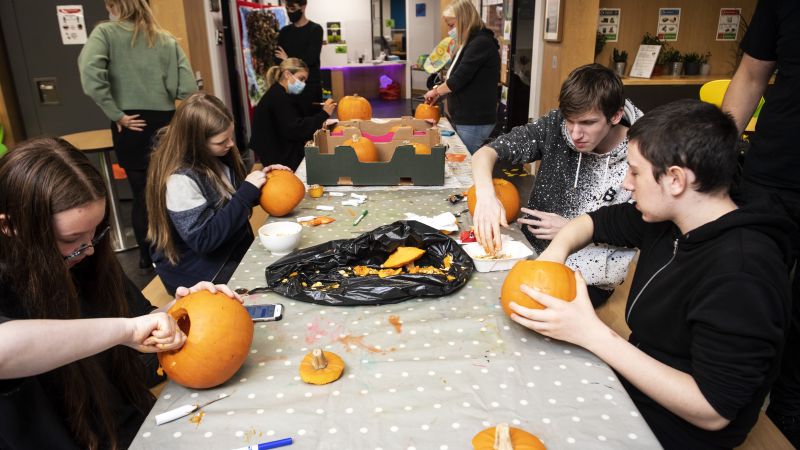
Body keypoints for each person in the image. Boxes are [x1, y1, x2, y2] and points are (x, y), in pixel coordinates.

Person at [510, 99, 792, 449]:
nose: (627, 184)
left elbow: (713, 410)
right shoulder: (670, 217)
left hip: (678, 429)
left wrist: (593, 334)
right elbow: (595, 221)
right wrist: (553, 257)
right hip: (636, 381)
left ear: (674, 179)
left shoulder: (742, 274)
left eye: (635, 171)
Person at [0, 137, 241, 449]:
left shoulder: (86, 256)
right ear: (10, 226)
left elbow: (138, 321)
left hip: (124, 427)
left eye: (96, 232)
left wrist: (183, 314)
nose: (88, 249)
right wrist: (124, 329)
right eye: (71, 239)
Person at [472, 64, 642, 307]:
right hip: (530, 253)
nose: (575, 133)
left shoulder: (642, 155)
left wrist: (573, 229)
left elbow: (640, 231)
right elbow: (486, 153)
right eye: (570, 121)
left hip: (586, 280)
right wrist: (486, 196)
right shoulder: (555, 127)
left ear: (615, 116)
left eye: (588, 123)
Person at [721, 1, 800, 445]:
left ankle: (789, 412)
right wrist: (716, 155)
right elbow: (751, 75)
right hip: (775, 174)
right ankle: (738, 399)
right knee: (750, 293)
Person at [78, 0, 198, 270]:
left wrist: (115, 113)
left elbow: (90, 75)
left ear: (112, 4)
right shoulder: (166, 39)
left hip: (130, 122)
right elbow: (187, 88)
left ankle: (146, 257)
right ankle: (173, 251)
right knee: (169, 189)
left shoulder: (105, 34)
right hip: (165, 121)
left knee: (141, 194)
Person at [147, 92, 291, 295]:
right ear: (195, 141)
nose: (231, 144)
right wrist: (245, 194)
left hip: (230, 249)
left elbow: (230, 199)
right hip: (198, 272)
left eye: (230, 137)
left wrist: (265, 185)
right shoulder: (180, 179)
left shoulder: (217, 155)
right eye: (221, 141)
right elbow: (204, 240)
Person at [423, 0, 499, 154]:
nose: (450, 30)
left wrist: (436, 91)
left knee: (465, 165)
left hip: (474, 120)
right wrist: (441, 95)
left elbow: (458, 79)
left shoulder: (481, 43)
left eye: (451, 25)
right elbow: (459, 79)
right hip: (464, 118)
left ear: (464, 20)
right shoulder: (468, 43)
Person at [249, 58, 335, 170]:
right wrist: (324, 114)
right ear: (287, 74)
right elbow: (296, 128)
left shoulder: (279, 93)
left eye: (305, 80)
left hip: (277, 149)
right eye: (301, 79)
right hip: (277, 157)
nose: (303, 84)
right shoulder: (279, 97)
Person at [274, 0, 324, 111]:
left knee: (313, 123)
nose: (289, 12)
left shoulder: (315, 30)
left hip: (310, 86)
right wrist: (295, 59)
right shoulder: (284, 32)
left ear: (303, 7)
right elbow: (278, 59)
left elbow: (310, 59)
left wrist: (287, 59)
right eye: (287, 9)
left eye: (292, 8)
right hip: (289, 88)